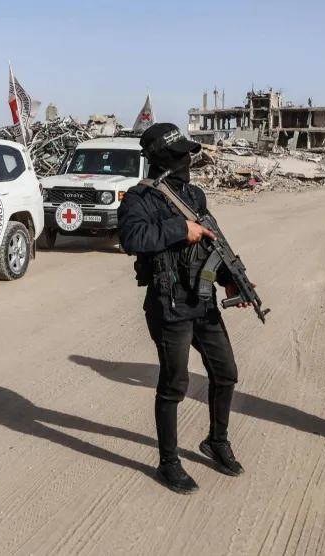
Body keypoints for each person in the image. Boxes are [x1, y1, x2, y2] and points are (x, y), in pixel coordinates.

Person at [117, 122, 252, 494]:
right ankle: (169, 463)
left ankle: (217, 442)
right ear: (161, 159)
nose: (187, 161)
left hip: (202, 300)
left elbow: (211, 243)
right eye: (179, 156)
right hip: (169, 304)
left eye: (187, 154)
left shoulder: (194, 194)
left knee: (226, 374)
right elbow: (131, 239)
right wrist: (180, 229)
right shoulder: (139, 198)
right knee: (175, 385)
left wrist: (230, 278)